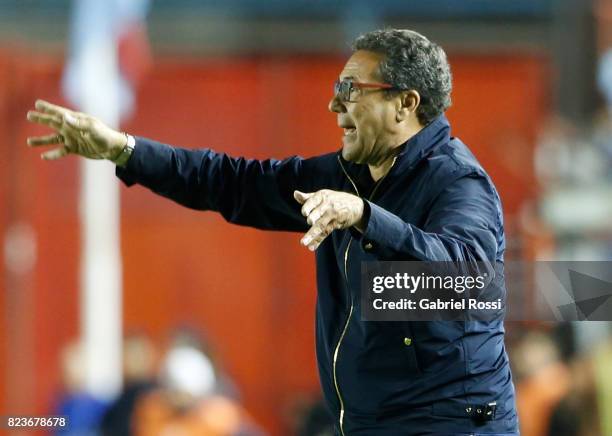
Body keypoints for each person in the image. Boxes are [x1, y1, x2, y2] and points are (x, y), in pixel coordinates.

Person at [27, 29, 518, 435]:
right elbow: (228, 181)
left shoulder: (459, 182)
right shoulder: (345, 174)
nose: (334, 105)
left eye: (350, 90)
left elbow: (471, 285)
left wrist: (366, 217)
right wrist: (125, 150)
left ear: (405, 103)